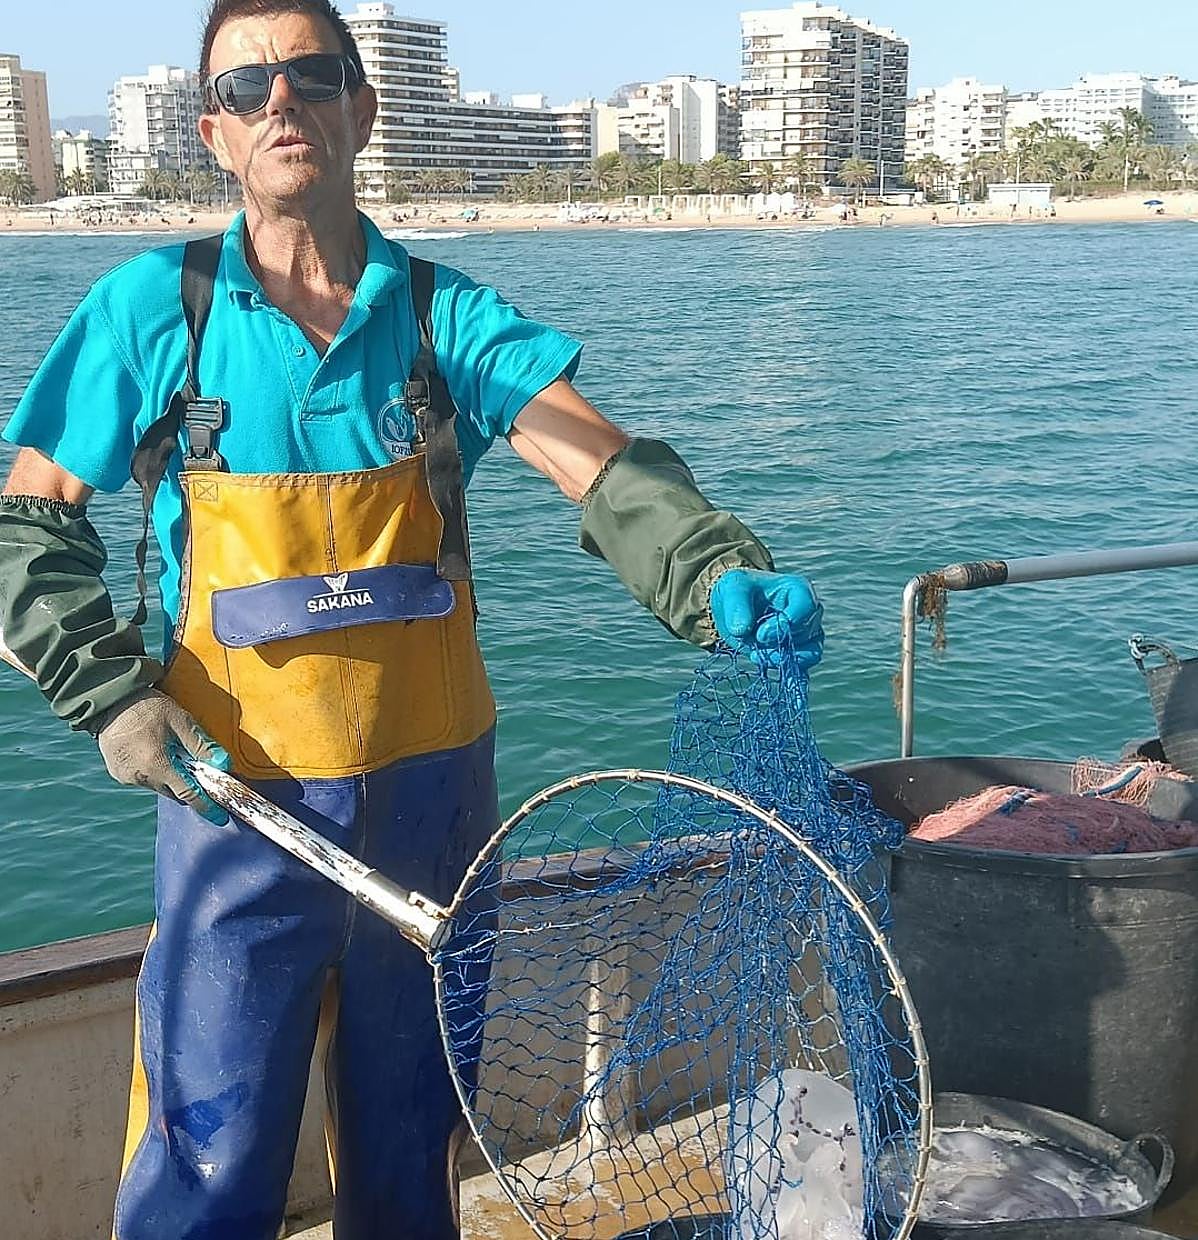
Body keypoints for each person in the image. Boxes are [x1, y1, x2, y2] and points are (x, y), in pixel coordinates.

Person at [0, 2, 825, 1238]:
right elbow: (26, 528)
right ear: (215, 133)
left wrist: (709, 573)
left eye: (312, 75)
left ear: (361, 109)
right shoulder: (147, 314)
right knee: (205, 1159)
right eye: (246, 88)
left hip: (438, 813)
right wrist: (112, 694)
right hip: (240, 809)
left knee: (412, 1144)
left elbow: (590, 456)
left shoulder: (444, 319)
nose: (281, 101)